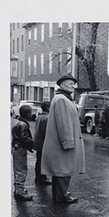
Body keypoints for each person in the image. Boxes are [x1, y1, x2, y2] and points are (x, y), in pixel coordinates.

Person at [41, 73, 85, 204]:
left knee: (61, 171)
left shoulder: (63, 98)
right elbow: (64, 124)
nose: (73, 86)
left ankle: (60, 194)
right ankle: (62, 196)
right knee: (63, 171)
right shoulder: (62, 99)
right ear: (62, 84)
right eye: (70, 83)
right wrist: (68, 143)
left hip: (61, 143)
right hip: (63, 144)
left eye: (73, 83)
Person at [11, 105, 34, 201]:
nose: (32, 114)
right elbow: (24, 139)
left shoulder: (18, 122)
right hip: (20, 149)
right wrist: (33, 144)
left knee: (18, 169)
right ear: (27, 114)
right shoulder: (23, 125)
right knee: (21, 170)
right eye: (31, 112)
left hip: (17, 147)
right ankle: (20, 191)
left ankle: (18, 189)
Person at [33, 101, 52, 185]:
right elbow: (46, 131)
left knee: (39, 160)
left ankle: (38, 177)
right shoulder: (47, 118)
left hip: (38, 141)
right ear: (48, 108)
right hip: (43, 142)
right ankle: (42, 178)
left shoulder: (39, 116)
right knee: (42, 161)